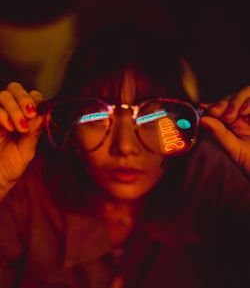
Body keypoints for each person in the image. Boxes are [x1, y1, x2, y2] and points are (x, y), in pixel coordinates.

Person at [0, 25, 249, 288]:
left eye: (152, 117)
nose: (125, 147)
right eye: (95, 117)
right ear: (67, 124)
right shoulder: (26, 193)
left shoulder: (212, 178)